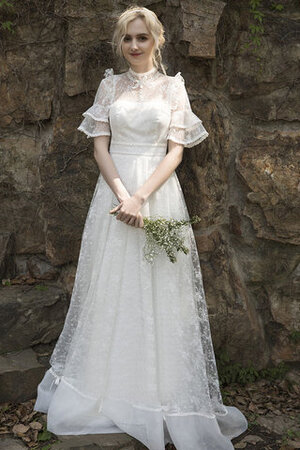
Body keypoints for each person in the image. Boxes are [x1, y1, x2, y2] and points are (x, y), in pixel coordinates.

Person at [34, 5, 248, 449]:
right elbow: (99, 146)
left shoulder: (174, 89)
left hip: (158, 194)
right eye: (128, 38)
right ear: (121, 42)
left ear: (157, 41)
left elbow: (176, 152)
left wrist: (141, 197)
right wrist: (122, 196)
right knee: (113, 287)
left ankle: (162, 391)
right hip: (113, 197)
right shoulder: (109, 85)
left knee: (160, 287)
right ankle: (110, 386)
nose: (134, 46)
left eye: (142, 38)